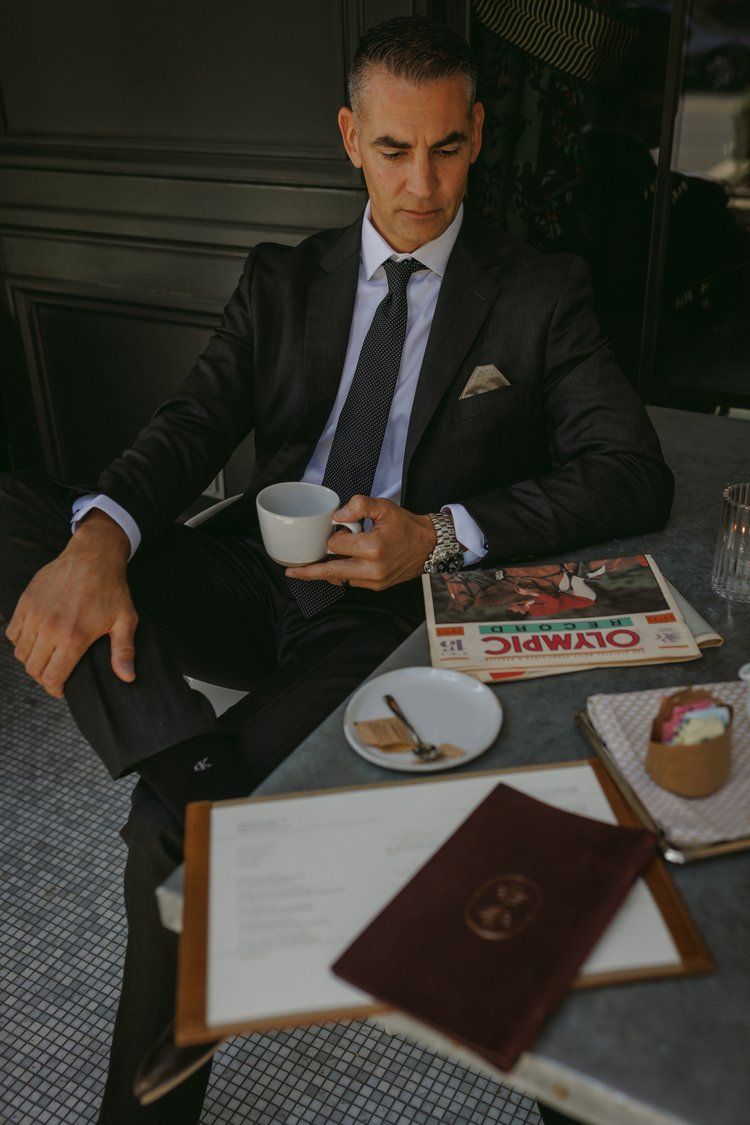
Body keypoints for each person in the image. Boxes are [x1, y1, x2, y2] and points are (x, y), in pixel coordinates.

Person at [0, 16, 674, 1125]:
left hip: (376, 617)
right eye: (396, 149)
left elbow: (631, 471)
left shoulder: (539, 290)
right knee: (31, 514)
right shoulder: (283, 279)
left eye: (448, 149)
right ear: (351, 138)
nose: (422, 184)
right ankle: (186, 751)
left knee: (170, 834)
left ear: (478, 136)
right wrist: (102, 543)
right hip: (252, 580)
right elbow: (190, 423)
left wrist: (441, 531)